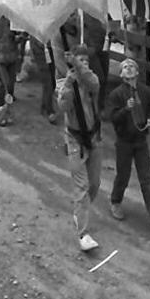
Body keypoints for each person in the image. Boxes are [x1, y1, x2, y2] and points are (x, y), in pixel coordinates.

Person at [106, 59, 150, 229]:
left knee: (146, 178)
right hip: (124, 142)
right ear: (121, 74)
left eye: (131, 66)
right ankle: (116, 201)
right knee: (123, 175)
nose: (128, 69)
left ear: (137, 72)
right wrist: (125, 110)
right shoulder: (116, 95)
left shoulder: (145, 92)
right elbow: (113, 118)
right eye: (124, 67)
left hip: (141, 140)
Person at [57, 44, 104, 252]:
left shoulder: (92, 80)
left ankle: (80, 211)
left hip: (94, 137)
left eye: (86, 61)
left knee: (94, 184)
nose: (84, 65)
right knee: (82, 187)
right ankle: (83, 234)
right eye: (79, 60)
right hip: (75, 139)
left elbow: (94, 84)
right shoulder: (65, 82)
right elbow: (63, 106)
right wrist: (69, 82)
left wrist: (79, 65)